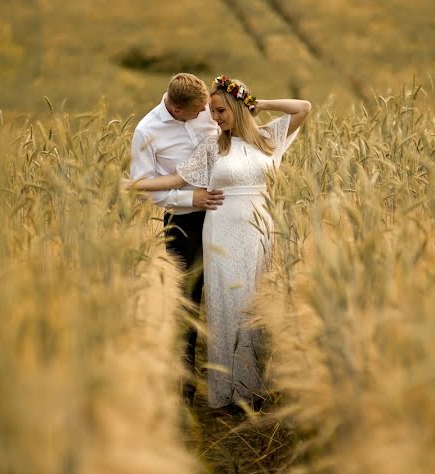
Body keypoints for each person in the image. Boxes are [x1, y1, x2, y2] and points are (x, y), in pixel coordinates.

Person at [126, 75, 311, 410]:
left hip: (260, 229)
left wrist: (258, 103)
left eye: (219, 110)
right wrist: (136, 185)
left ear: (238, 107)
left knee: (256, 302)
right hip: (217, 226)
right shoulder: (211, 145)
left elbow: (304, 108)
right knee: (219, 305)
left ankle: (256, 385)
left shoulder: (268, 138)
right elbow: (177, 177)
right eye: (209, 111)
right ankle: (221, 388)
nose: (212, 118)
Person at [130, 73, 226, 402]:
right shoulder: (146, 132)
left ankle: (229, 381)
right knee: (185, 301)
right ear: (176, 108)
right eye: (198, 110)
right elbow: (144, 189)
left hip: (226, 217)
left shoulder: (204, 114)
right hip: (183, 223)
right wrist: (190, 199)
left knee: (228, 297)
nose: (206, 115)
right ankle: (183, 384)